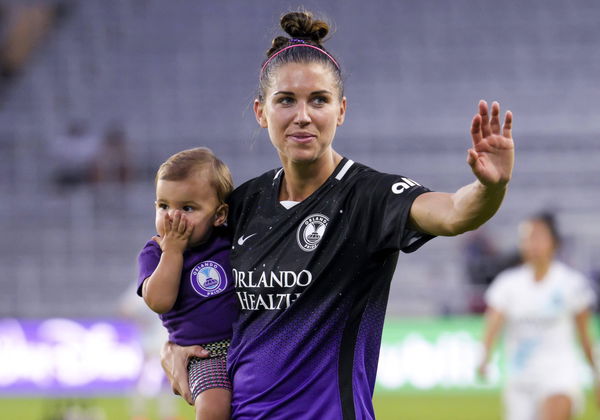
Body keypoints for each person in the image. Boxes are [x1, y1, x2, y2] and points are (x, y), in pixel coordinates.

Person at [161, 11, 515, 419]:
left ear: (341, 110)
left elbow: (454, 213)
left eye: (319, 100)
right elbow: (194, 289)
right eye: (286, 100)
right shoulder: (241, 205)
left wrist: (491, 187)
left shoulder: (368, 196)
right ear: (261, 112)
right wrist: (174, 344)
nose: (303, 115)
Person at [137, 147, 239, 420]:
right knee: (213, 407)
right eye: (163, 206)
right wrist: (173, 253)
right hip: (204, 353)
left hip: (248, 344)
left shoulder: (228, 240)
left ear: (219, 215)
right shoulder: (156, 251)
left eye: (187, 208)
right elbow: (158, 301)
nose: (172, 217)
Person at [478, 212, 599, 420]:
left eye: (538, 237)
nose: (532, 244)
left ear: (554, 243)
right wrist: (484, 356)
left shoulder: (571, 283)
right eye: (526, 238)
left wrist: (596, 373)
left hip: (559, 374)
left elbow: (585, 335)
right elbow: (493, 323)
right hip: (520, 379)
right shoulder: (507, 284)